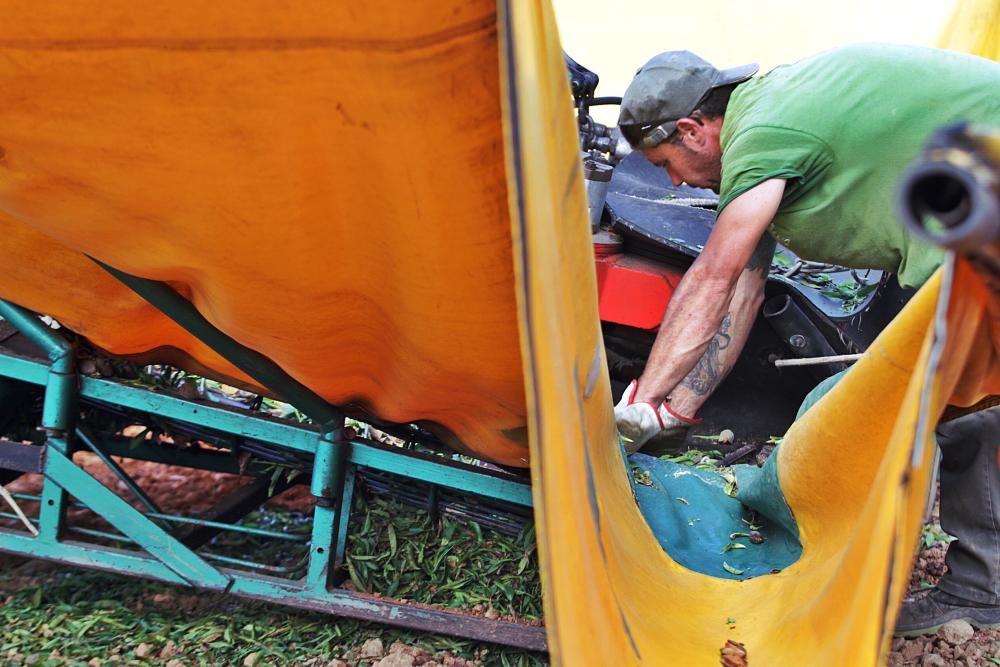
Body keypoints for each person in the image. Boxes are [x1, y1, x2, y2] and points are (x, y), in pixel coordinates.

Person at [612, 43, 1000, 635]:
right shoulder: (770, 120)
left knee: (913, 406)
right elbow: (742, 293)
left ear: (692, 130)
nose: (672, 180)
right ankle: (980, 584)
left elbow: (713, 277)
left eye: (664, 162)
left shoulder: (762, 133)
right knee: (962, 401)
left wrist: (639, 404)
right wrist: (673, 412)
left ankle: (900, 585)